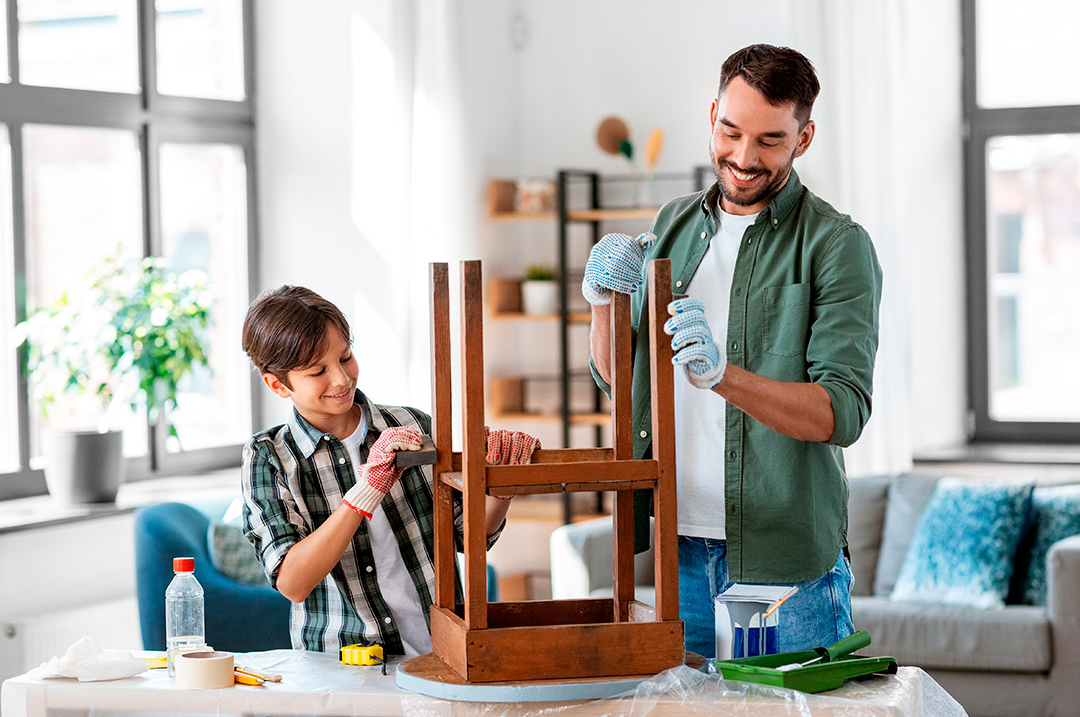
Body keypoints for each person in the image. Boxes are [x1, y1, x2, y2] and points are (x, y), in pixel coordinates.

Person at [583, 44, 883, 658]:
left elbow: (841, 412)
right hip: (677, 552)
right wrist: (600, 305)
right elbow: (623, 383)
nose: (745, 158)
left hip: (785, 564)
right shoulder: (670, 227)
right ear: (712, 114)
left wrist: (724, 376)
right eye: (731, 131)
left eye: (771, 140)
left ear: (804, 138)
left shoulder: (835, 245)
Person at [240, 285, 539, 657]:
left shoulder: (411, 425)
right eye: (318, 371)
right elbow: (293, 582)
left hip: (443, 651)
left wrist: (499, 487)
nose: (341, 379)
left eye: (346, 357)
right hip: (342, 666)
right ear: (277, 384)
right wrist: (367, 489)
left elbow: (468, 535)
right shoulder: (269, 457)